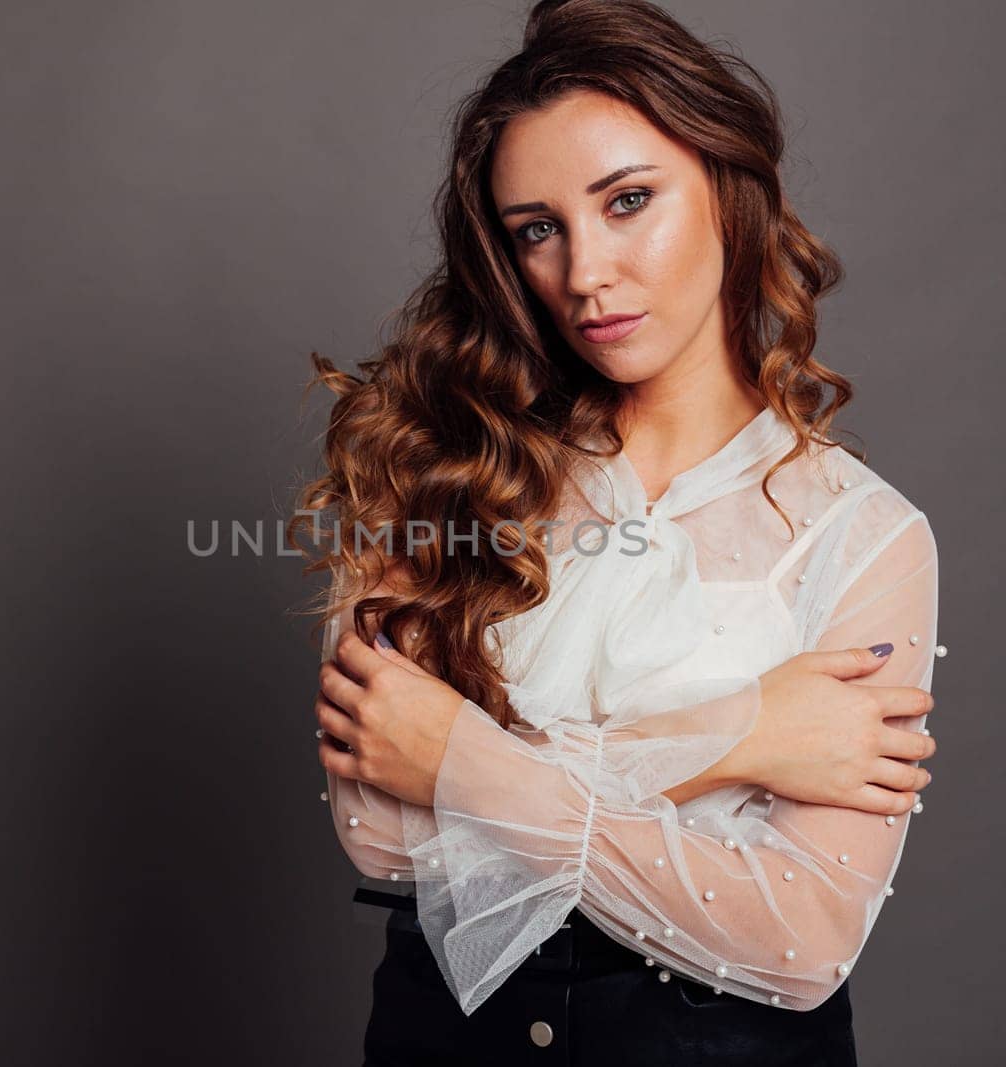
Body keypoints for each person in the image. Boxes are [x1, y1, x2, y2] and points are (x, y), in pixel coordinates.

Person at [288, 1, 944, 1063]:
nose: (583, 272)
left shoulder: (863, 535)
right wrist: (732, 735)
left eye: (628, 201)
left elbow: (800, 939)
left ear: (729, 193)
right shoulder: (436, 460)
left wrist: (455, 755)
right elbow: (381, 831)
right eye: (536, 228)